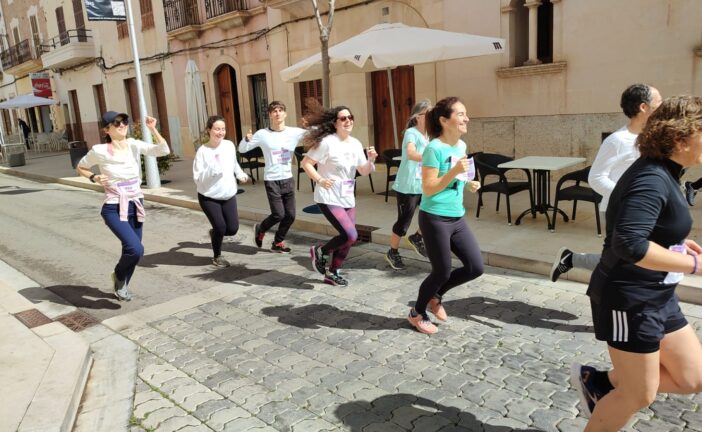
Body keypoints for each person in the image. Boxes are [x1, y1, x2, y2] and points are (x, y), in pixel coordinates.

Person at [571, 96, 702, 430]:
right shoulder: (652, 178)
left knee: (693, 377)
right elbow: (628, 242)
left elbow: (646, 229)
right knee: (638, 395)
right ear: (679, 137)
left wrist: (673, 244)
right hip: (628, 299)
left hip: (658, 293)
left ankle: (600, 382)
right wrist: (693, 266)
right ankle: (612, 389)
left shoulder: (667, 172)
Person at [550, 84, 662, 282]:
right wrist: (629, 197)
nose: (663, 106)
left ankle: (571, 259)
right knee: (623, 261)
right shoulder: (617, 140)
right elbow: (596, 178)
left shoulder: (652, 138)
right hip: (620, 209)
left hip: (646, 209)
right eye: (659, 102)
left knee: (626, 260)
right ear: (644, 107)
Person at [407, 97, 483, 335]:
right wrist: (453, 172)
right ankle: (417, 313)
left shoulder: (460, 146)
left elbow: (457, 177)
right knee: (442, 271)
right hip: (434, 218)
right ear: (444, 120)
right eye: (460, 114)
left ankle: (436, 295)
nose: (466, 118)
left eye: (465, 113)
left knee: (475, 267)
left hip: (456, 217)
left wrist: (468, 183)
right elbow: (428, 188)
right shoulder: (433, 148)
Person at [76, 111, 170, 301]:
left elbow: (163, 151)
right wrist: (94, 177)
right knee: (136, 249)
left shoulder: (134, 144)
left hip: (136, 203)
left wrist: (153, 129)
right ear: (106, 129)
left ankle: (122, 285)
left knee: (132, 251)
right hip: (113, 206)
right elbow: (80, 166)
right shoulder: (99, 150)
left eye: (124, 121)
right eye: (116, 123)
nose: (122, 125)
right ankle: (119, 275)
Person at [301, 105, 377, 287]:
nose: (348, 121)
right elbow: (306, 163)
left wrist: (371, 159)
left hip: (347, 196)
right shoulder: (327, 142)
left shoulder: (356, 143)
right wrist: (320, 180)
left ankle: (332, 273)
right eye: (343, 118)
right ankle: (320, 250)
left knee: (349, 240)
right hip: (328, 195)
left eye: (350, 117)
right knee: (350, 234)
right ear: (335, 123)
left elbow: (364, 171)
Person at [239, 101, 305, 253]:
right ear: (269, 115)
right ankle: (261, 229)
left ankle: (277, 242)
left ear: (285, 113)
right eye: (274, 111)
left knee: (290, 216)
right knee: (278, 214)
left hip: (288, 178)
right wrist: (247, 139)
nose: (277, 113)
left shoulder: (294, 132)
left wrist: (313, 124)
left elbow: (315, 133)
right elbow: (242, 149)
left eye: (280, 110)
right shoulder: (262, 134)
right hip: (272, 179)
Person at [193, 115, 249, 267]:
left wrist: (240, 173)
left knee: (232, 229)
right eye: (217, 129)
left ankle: (215, 233)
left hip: (228, 194)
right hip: (209, 196)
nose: (220, 132)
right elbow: (197, 178)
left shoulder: (229, 145)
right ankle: (217, 255)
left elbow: (233, 163)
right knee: (220, 227)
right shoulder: (203, 151)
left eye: (223, 129)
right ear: (209, 130)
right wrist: (211, 171)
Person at [385, 100, 431, 270]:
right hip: (408, 185)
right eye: (428, 114)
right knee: (404, 222)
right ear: (417, 117)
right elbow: (411, 153)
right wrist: (431, 157)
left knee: (433, 214)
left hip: (424, 184)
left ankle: (417, 237)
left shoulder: (428, 135)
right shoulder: (411, 133)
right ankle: (393, 251)